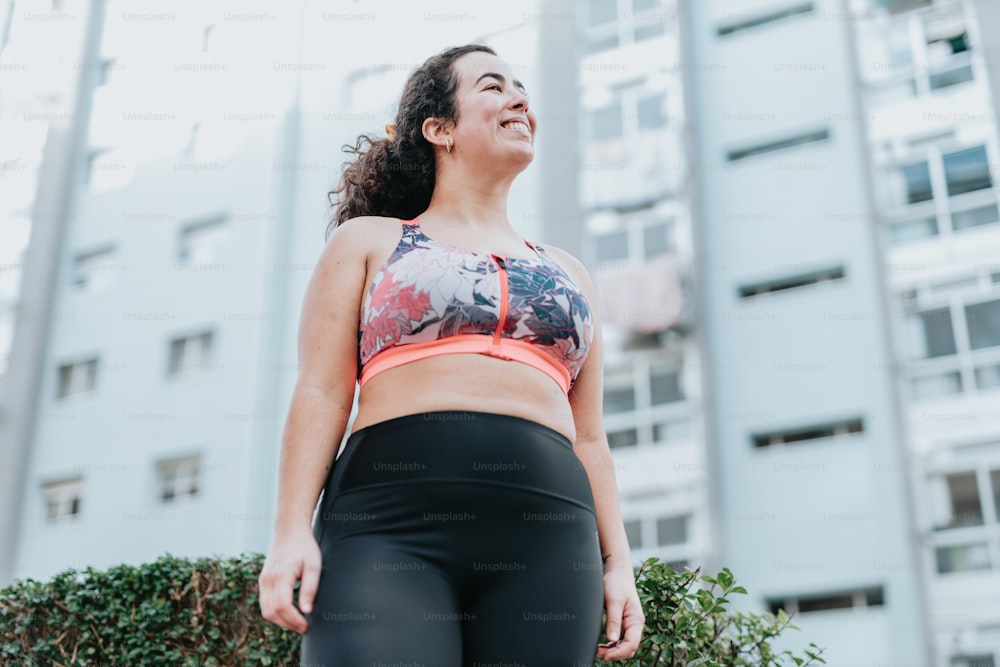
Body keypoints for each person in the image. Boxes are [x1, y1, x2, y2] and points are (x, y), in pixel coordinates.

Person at [258, 43, 645, 665]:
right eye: (493, 87)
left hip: (549, 543)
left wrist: (618, 561)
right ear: (438, 129)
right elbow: (322, 392)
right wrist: (289, 532)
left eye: (522, 87)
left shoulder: (568, 270)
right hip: (387, 528)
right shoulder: (369, 242)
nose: (520, 99)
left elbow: (590, 437)